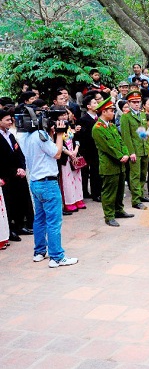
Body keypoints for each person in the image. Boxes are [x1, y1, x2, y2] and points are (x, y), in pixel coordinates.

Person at [21, 108, 78, 268]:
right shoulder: (42, 136)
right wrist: (60, 134)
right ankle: (57, 257)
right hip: (48, 183)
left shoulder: (29, 136)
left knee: (39, 219)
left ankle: (39, 252)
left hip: (35, 182)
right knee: (54, 221)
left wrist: (54, 134)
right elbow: (57, 154)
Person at [92, 97, 134, 227]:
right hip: (109, 165)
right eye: (111, 110)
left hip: (120, 164)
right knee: (109, 192)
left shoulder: (111, 126)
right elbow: (107, 147)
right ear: (103, 112)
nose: (113, 113)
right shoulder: (97, 128)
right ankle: (109, 215)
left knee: (120, 189)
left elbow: (121, 141)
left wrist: (126, 153)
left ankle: (119, 210)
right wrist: (121, 156)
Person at [0, 109, 34, 242]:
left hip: (17, 174)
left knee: (20, 199)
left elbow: (19, 153)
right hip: (6, 175)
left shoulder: (11, 135)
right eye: (7, 120)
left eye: (11, 119)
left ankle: (20, 224)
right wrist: (12, 171)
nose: (10, 122)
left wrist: (21, 167)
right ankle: (10, 228)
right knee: (9, 203)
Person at [120, 91, 149, 210]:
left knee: (144, 174)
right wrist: (131, 152)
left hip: (144, 148)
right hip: (135, 150)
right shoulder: (126, 117)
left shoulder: (143, 115)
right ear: (128, 103)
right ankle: (135, 199)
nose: (136, 104)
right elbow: (126, 136)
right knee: (135, 175)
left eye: (138, 102)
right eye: (134, 102)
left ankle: (140, 195)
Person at [54, 106, 86, 212]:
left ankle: (78, 199)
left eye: (65, 114)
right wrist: (69, 153)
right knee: (67, 180)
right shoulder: (55, 128)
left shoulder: (70, 126)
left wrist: (76, 150)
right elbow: (57, 143)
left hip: (74, 155)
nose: (64, 116)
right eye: (61, 115)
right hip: (65, 157)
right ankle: (69, 202)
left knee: (77, 178)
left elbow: (77, 139)